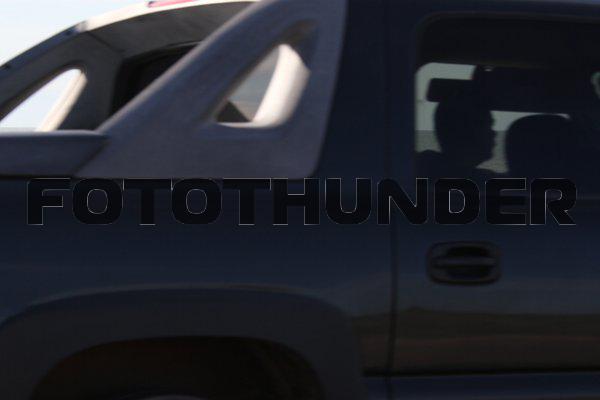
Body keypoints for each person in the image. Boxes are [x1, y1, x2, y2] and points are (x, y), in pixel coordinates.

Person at [417, 87, 497, 182]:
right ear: (466, 132)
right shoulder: (484, 182)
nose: (494, 133)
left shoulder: (418, 168)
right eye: (486, 126)